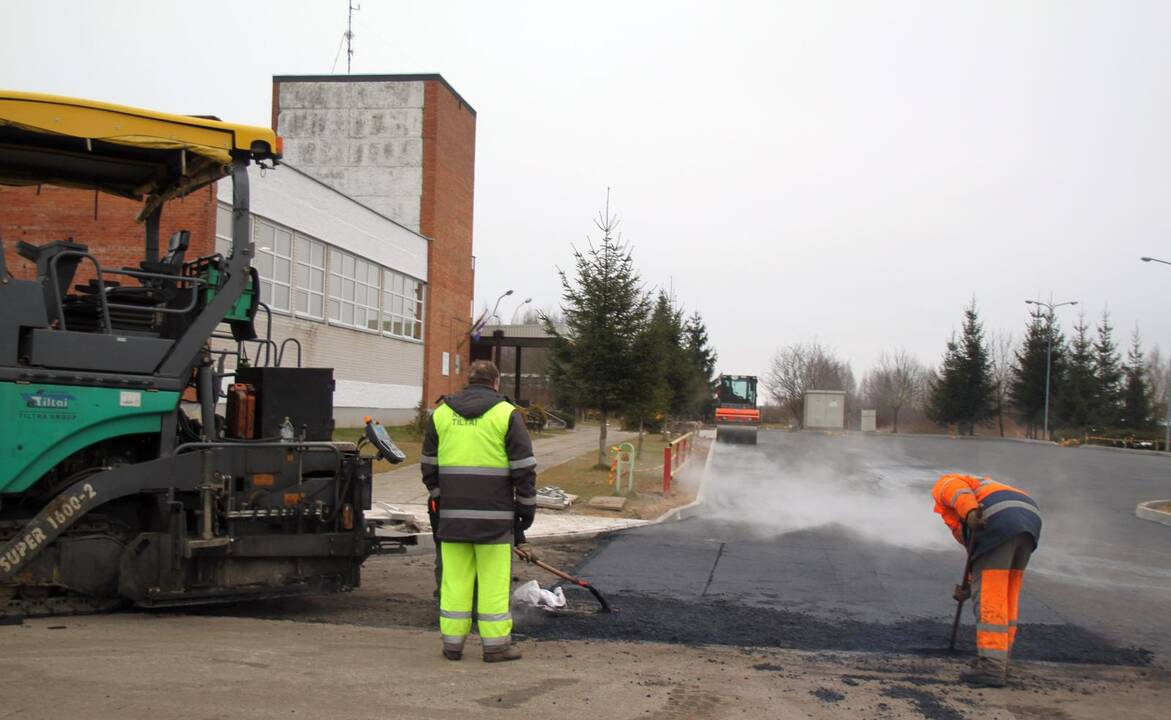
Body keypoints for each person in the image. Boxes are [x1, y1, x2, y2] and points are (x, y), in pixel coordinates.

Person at [421, 360, 537, 662]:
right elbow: (524, 469)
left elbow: (428, 465)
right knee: (493, 583)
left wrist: (440, 498)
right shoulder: (506, 414)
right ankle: (496, 647)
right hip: (495, 521)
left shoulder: (442, 413)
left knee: (454, 582)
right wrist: (525, 510)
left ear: (468, 380)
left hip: (453, 519)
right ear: (495, 383)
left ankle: (452, 645)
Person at [932, 473, 1042, 687]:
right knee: (1008, 592)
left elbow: (955, 488)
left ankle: (991, 669)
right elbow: (979, 554)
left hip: (999, 520)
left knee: (991, 596)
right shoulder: (987, 490)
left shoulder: (945, 485)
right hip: (1029, 520)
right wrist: (968, 586)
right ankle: (1001, 661)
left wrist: (970, 512)